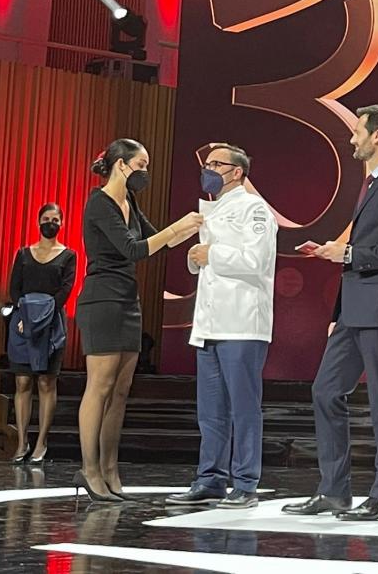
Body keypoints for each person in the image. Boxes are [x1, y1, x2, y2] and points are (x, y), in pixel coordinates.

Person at [283, 104, 378, 521]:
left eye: (358, 131)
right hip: (353, 312)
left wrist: (348, 252)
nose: (353, 137)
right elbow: (361, 253)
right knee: (325, 391)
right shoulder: (374, 184)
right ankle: (334, 491)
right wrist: (337, 304)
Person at [73, 139, 203, 502]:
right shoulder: (99, 203)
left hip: (128, 300)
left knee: (121, 389)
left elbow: (156, 238)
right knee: (99, 386)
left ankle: (111, 468)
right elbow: (134, 250)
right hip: (102, 300)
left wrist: (195, 228)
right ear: (121, 165)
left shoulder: (130, 201)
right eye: (141, 164)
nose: (146, 171)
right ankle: (89, 469)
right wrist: (177, 228)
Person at [166, 144, 277, 510]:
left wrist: (211, 254)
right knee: (210, 409)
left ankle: (246, 481)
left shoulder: (255, 209)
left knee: (243, 406)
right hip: (210, 323)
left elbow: (256, 260)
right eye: (207, 163)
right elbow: (205, 265)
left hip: (242, 323)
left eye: (217, 164)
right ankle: (210, 478)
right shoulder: (210, 212)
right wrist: (196, 259)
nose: (209, 169)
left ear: (237, 172)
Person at [7, 202, 76, 464]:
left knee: (46, 382)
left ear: (62, 223)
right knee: (22, 382)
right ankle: (22, 441)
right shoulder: (24, 254)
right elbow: (15, 289)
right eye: (46, 218)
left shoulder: (68, 255)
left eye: (55, 219)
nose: (51, 223)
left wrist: (43, 320)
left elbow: (65, 292)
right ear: (38, 222)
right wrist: (24, 316)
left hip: (52, 326)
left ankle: (41, 442)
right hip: (23, 324)